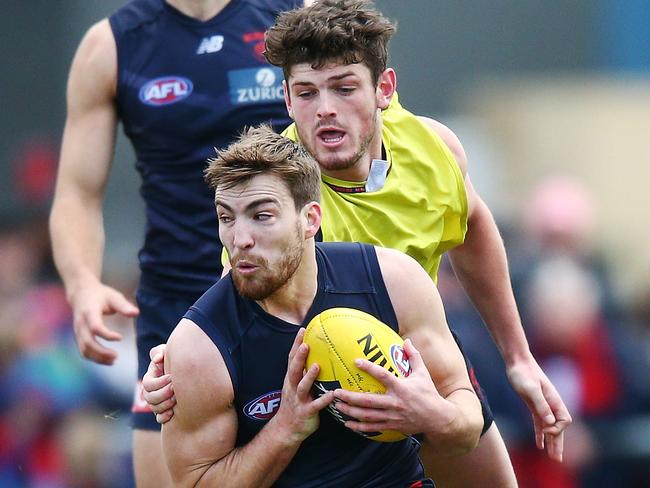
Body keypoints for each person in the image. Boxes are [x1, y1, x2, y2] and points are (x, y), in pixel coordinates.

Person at [145, 0, 572, 485]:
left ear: (383, 90)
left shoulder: (433, 147)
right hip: (331, 387)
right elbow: (240, 300)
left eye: (344, 88)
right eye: (306, 93)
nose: (325, 108)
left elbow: (471, 229)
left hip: (421, 354)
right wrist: (176, 359)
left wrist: (517, 357)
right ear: (286, 99)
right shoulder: (281, 193)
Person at [49, 1, 308, 486]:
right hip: (176, 307)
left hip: (292, 298)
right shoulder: (110, 46)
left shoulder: (296, 14)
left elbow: (363, 135)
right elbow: (77, 194)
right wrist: (82, 284)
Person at [162, 124, 483, 487]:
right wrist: (285, 429)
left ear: (310, 219)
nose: (240, 239)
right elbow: (196, 483)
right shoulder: (199, 346)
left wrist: (430, 415)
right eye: (226, 218)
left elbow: (467, 428)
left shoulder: (392, 281)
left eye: (262, 215)